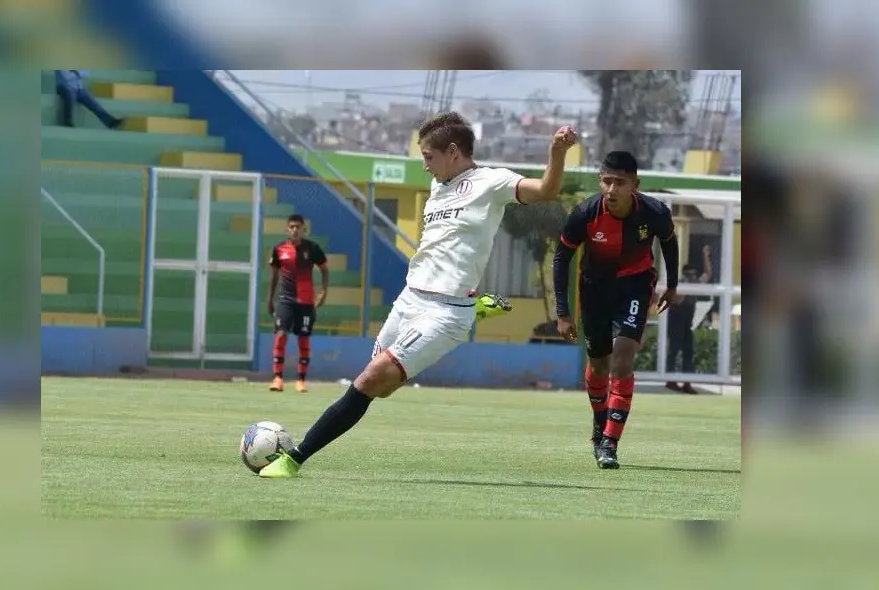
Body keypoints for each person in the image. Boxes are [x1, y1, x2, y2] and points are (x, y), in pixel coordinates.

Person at [258, 112, 578, 478]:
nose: (425, 165)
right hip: (409, 299)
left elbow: (546, 190)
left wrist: (556, 152)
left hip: (446, 312)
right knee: (381, 387)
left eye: (428, 156)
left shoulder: (492, 182)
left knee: (369, 380)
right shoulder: (439, 187)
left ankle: (294, 458)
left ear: (453, 152)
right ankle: (477, 308)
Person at [552, 151, 679, 469]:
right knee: (598, 366)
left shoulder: (654, 212)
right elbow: (562, 257)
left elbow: (669, 241)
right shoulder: (585, 213)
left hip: (635, 285)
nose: (612, 189)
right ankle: (600, 422)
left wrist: (672, 285)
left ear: (635, 184)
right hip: (594, 289)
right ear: (600, 181)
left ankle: (610, 443)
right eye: (607, 181)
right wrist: (563, 312)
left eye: (620, 183)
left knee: (622, 359)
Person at [267, 214, 329, 393]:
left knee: (303, 339)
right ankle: (277, 378)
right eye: (292, 227)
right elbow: (274, 276)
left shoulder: (312, 248)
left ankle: (300, 380)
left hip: (306, 301)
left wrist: (323, 292)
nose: (295, 230)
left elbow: (324, 270)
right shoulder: (279, 249)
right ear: (287, 229)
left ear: (304, 229)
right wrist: (270, 299)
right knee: (280, 335)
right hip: (285, 299)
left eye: (298, 227)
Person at [666, 245, 713, 394]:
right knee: (673, 350)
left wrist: (705, 255)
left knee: (688, 351)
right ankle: (670, 380)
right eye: (689, 275)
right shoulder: (679, 283)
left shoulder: (695, 283)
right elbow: (677, 301)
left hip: (687, 322)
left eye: (693, 275)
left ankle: (687, 383)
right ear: (685, 274)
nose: (692, 277)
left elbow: (708, 274)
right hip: (676, 320)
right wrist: (684, 287)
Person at [55, 70, 124, 130]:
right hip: (64, 86)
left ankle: (111, 122)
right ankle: (67, 121)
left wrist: (76, 73)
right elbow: (66, 76)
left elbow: (86, 72)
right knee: (70, 96)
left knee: (94, 104)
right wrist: (79, 73)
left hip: (79, 89)